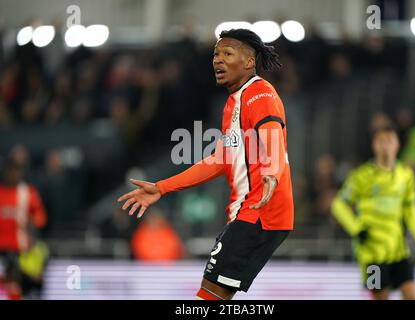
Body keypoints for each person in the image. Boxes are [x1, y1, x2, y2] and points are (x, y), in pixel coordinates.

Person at [118, 28, 294, 300]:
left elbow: (271, 127)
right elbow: (216, 162)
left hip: (260, 212)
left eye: (227, 53)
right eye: (215, 54)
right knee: (213, 293)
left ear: (249, 62)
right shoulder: (232, 104)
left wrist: (271, 170)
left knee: (210, 294)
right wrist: (162, 187)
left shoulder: (259, 92)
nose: (217, 60)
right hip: (251, 214)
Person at [331, 125, 415, 300]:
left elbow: (411, 208)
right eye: (381, 141)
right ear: (374, 145)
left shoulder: (405, 175)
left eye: (389, 141)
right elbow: (338, 204)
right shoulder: (361, 176)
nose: (385, 146)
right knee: (380, 296)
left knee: (412, 295)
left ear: (397, 144)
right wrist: (356, 229)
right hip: (372, 252)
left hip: (399, 250)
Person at [0, 156, 47, 299]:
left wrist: (31, 222)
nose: (13, 175)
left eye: (17, 171)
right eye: (11, 171)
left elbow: (41, 219)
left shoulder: (28, 193)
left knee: (20, 289)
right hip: (1, 251)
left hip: (22, 252)